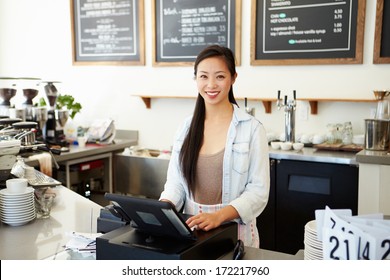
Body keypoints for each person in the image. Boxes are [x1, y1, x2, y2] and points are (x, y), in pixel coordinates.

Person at [159, 45, 270, 248]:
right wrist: (164, 208)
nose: (211, 85)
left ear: (233, 78)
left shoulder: (252, 129)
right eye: (203, 77)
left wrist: (218, 216)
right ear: (196, 79)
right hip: (193, 232)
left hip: (236, 234)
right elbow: (176, 183)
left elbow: (258, 192)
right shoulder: (186, 128)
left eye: (220, 76)